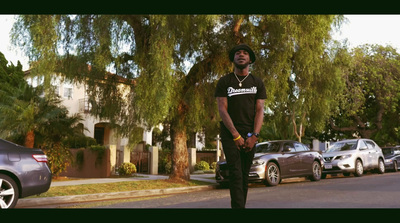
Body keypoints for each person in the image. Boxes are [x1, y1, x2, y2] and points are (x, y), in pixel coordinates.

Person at [215, 43, 267, 208]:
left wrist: (254, 136)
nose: (241, 55)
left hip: (250, 134)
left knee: (244, 175)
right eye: (238, 53)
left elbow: (260, 110)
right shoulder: (225, 82)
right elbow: (222, 109)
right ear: (233, 58)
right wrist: (236, 135)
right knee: (236, 173)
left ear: (250, 59)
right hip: (230, 134)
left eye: (245, 53)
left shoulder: (257, 82)